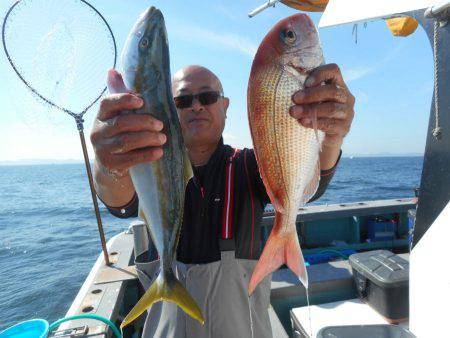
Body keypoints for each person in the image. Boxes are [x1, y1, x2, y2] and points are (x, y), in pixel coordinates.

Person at [91, 64, 355, 337]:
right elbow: (119, 200)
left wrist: (331, 137)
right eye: (183, 101)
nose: (196, 107)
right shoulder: (150, 169)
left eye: (207, 97)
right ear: (170, 111)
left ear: (225, 106)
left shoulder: (251, 164)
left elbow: (311, 183)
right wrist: (108, 163)